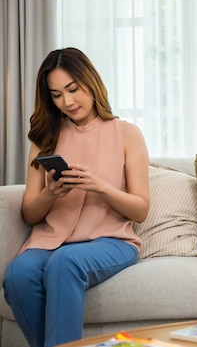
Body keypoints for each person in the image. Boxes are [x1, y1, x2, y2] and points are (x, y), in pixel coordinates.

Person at [3, 47, 150, 347]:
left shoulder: (127, 133)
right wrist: (50, 194)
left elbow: (141, 210)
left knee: (65, 263)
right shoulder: (44, 137)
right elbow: (31, 214)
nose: (67, 102)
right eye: (56, 94)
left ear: (91, 82)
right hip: (50, 240)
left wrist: (100, 186)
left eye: (73, 89)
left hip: (112, 241)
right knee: (18, 274)